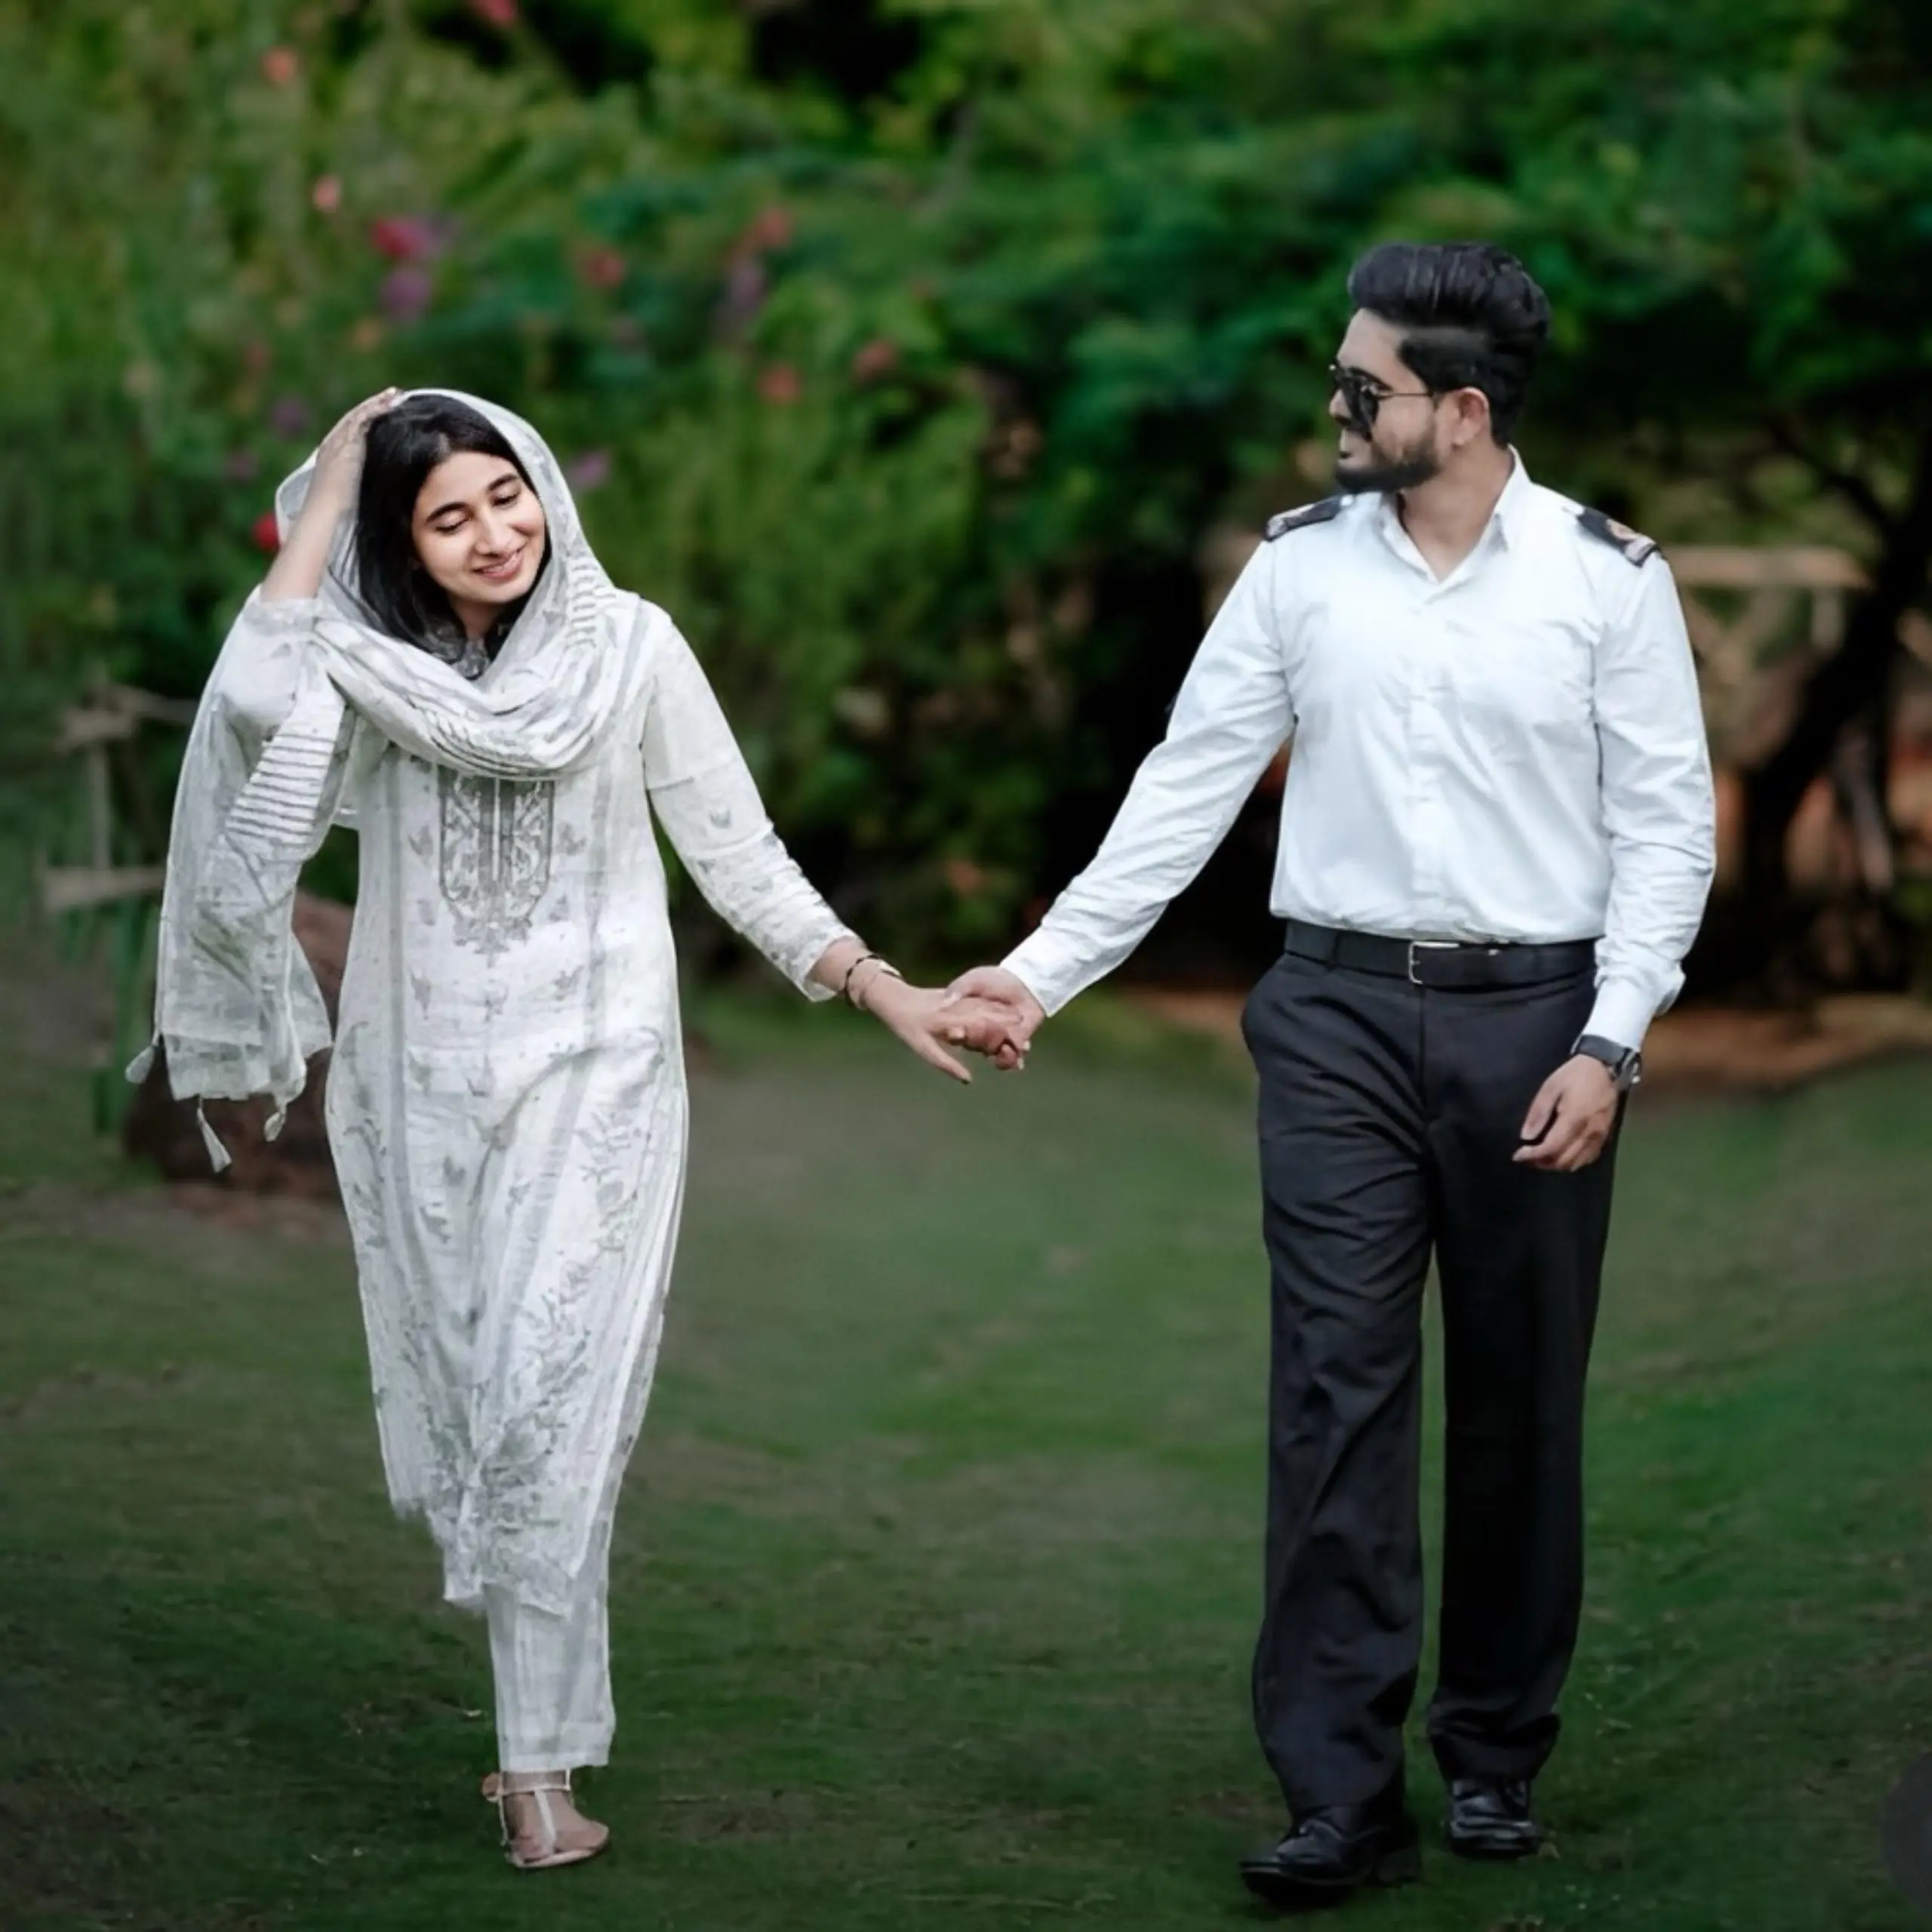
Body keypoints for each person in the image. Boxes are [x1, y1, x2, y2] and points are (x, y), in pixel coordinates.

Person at [140, 387, 1013, 1871]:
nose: (495, 533)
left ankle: (536, 1766)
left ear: (546, 487)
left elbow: (740, 853)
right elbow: (244, 710)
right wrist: (334, 480)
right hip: (412, 1086)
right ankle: (532, 1748)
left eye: (507, 493)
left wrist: (884, 987)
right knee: (486, 1404)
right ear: (402, 547)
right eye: (446, 515)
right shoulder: (358, 671)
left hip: (600, 1076)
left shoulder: (633, 651)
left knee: (549, 1397)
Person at [946, 243, 1716, 1907]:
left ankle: (1496, 1751)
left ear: (1459, 407)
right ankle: (1334, 1790)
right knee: (1333, 1394)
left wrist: (1610, 1037)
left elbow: (1666, 829)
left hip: (1538, 1024)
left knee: (1517, 1397)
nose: (1334, 405)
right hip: (1332, 1022)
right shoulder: (1299, 570)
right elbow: (1187, 780)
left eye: (1359, 385)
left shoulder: (1605, 576)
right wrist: (1043, 969)